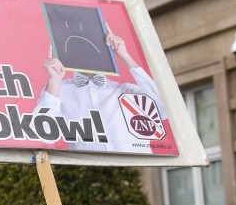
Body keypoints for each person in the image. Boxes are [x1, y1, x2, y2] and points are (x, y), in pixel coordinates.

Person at [37, 23, 168, 153]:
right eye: (78, 45)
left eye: (93, 44)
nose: (87, 51)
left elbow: (164, 111)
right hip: (93, 171)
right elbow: (46, 133)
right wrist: (54, 80)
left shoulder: (127, 91)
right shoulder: (59, 90)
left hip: (136, 169)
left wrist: (125, 56)